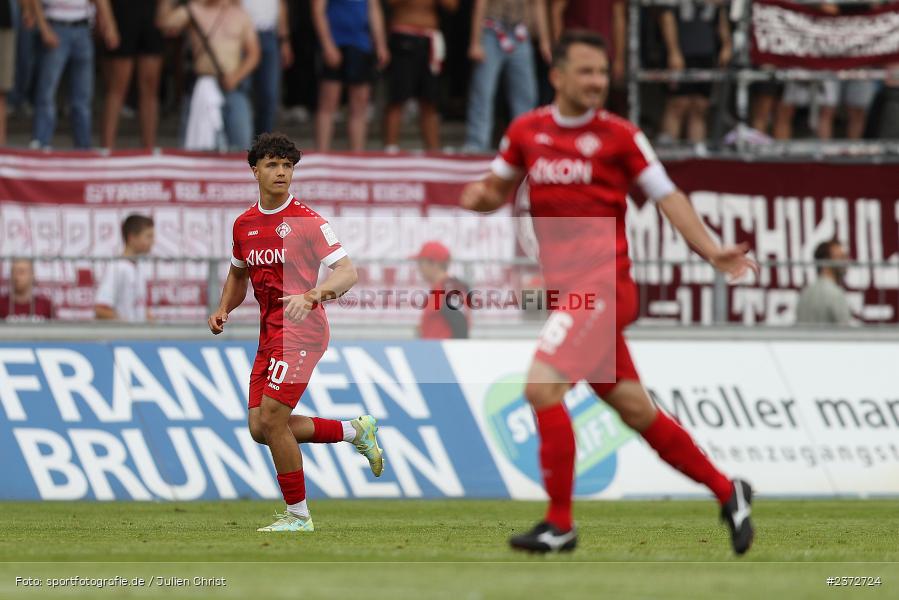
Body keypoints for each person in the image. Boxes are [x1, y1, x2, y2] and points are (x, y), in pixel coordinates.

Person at [460, 30, 757, 555]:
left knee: (541, 388)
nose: (598, 82)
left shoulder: (621, 136)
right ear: (558, 76)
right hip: (568, 294)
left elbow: (668, 197)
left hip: (603, 288)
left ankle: (560, 523)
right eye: (587, 72)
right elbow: (495, 190)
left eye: (603, 72)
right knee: (636, 411)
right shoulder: (526, 131)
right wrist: (479, 197)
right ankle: (728, 490)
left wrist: (711, 251)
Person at [207, 132, 384, 533]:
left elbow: (348, 272)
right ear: (255, 170)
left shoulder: (307, 222)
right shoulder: (244, 224)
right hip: (270, 333)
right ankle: (355, 430)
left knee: (272, 418)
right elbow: (238, 275)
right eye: (272, 165)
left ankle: (299, 517)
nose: (281, 172)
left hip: (303, 332)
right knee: (260, 428)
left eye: (287, 166)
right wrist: (222, 308)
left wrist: (316, 293)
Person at [157, 0, 260, 151]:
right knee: (195, 148)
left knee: (241, 145)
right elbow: (164, 23)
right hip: (202, 86)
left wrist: (236, 77)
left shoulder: (240, 15)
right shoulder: (194, 9)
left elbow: (254, 54)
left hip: (233, 87)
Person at [29, 0, 119, 149]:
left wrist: (109, 23)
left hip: (82, 27)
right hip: (56, 24)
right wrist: (44, 27)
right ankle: (41, 140)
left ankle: (83, 145)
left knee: (82, 94)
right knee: (47, 89)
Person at [462, 0, 548, 153]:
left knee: (526, 94)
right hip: (491, 31)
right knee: (483, 91)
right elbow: (480, 3)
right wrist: (475, 41)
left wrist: (544, 41)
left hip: (520, 33)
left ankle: (525, 143)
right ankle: (476, 144)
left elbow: (538, 4)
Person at [312, 0, 389, 151]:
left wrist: (380, 43)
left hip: (361, 44)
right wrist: (327, 44)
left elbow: (373, 9)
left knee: (360, 104)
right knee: (328, 102)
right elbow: (317, 10)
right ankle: (322, 154)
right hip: (336, 41)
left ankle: (357, 156)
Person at [383, 0, 458, 152]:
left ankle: (433, 149)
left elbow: (452, 6)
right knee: (398, 96)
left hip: (429, 39)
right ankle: (391, 148)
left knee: (430, 99)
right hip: (404, 36)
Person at [658, 0, 731, 145]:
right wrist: (673, 51)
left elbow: (721, 15)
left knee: (700, 106)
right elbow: (666, 15)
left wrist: (726, 44)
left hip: (706, 53)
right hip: (682, 51)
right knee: (678, 104)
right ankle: (669, 156)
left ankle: (697, 155)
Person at [100, 0, 164, 150]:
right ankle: (107, 148)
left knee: (150, 87)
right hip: (123, 13)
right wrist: (108, 22)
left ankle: (149, 147)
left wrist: (164, 11)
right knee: (118, 86)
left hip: (151, 15)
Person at [242, 0, 294, 136]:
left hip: (268, 34)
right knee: (242, 92)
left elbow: (281, 5)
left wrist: (284, 40)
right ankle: (241, 142)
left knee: (269, 96)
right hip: (241, 35)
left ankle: (262, 145)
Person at [95, 214, 154, 322]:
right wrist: (125, 326)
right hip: (122, 338)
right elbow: (101, 309)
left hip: (138, 338)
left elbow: (140, 307)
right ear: (132, 237)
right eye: (148, 236)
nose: (153, 241)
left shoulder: (139, 267)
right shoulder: (117, 268)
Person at [413, 241, 469, 339]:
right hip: (435, 350)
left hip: (444, 351)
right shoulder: (441, 288)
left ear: (434, 264)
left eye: (421, 263)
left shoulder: (448, 288)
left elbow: (460, 324)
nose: (419, 268)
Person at [796, 239, 851, 325]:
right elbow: (846, 332)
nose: (845, 262)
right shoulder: (836, 294)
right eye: (840, 257)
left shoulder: (805, 294)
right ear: (825, 262)